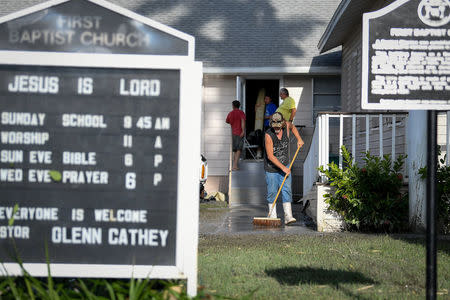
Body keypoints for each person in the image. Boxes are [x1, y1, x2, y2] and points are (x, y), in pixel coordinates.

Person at [264, 112, 304, 225]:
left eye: (278, 127)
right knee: (272, 192)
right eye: (274, 127)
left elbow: (293, 127)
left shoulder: (286, 126)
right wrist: (283, 168)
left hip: (285, 164)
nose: (276, 129)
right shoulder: (268, 135)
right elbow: (270, 156)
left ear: (282, 124)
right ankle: (273, 217)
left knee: (287, 189)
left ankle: (288, 216)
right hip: (271, 168)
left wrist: (299, 139)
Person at [226, 100, 246, 171]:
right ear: (239, 105)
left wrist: (233, 123)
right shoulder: (241, 113)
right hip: (239, 133)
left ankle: (234, 165)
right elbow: (243, 121)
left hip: (233, 133)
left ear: (233, 106)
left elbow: (227, 121)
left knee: (235, 149)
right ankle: (234, 166)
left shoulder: (230, 113)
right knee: (239, 149)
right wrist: (243, 131)